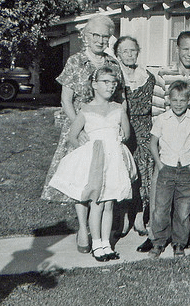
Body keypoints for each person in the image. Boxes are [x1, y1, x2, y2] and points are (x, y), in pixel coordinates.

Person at [41, 14, 124, 255]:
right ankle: (83, 228)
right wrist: (80, 126)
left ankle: (100, 231)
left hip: (105, 128)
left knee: (104, 179)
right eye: (95, 35)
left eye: (104, 36)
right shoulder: (76, 61)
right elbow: (66, 99)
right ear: (86, 37)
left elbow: (119, 99)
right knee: (82, 180)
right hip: (80, 129)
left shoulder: (112, 63)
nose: (100, 40)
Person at [47, 66, 137, 262]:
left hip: (114, 158)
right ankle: (96, 243)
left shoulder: (118, 108)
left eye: (114, 83)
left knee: (109, 203)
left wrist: (122, 135)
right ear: (94, 85)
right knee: (96, 203)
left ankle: (106, 243)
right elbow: (72, 136)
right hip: (96, 160)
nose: (111, 86)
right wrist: (85, 150)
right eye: (105, 82)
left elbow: (126, 134)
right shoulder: (86, 110)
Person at [137, 30, 190, 253]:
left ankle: (182, 236)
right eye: (185, 49)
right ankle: (156, 236)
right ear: (177, 49)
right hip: (167, 142)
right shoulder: (164, 74)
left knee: (186, 197)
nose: (189, 53)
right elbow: (157, 110)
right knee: (160, 194)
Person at [148, 81, 190, 258]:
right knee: (161, 208)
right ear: (169, 101)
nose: (178, 103)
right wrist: (159, 164)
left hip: (187, 170)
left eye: (182, 100)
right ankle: (158, 242)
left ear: (189, 101)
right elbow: (152, 143)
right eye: (174, 100)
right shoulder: (162, 119)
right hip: (167, 169)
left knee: (183, 209)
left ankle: (179, 243)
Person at [113, 36, 156, 237]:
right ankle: (122, 218)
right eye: (125, 51)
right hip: (121, 129)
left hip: (144, 129)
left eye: (133, 50)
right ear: (117, 55)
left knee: (143, 173)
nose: (129, 55)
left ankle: (139, 216)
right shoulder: (114, 77)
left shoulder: (147, 76)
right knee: (122, 172)